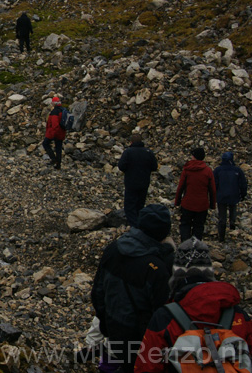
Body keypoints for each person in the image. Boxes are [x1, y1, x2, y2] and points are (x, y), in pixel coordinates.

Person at [135, 237, 252, 373]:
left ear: (176, 275)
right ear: (209, 273)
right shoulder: (238, 315)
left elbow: (147, 367)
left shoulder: (165, 317)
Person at [91, 204, 175, 373]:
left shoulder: (113, 249)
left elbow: (98, 292)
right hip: (141, 339)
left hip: (113, 326)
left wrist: (105, 322)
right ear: (164, 232)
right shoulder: (157, 268)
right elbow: (161, 313)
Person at [118, 133, 159, 227]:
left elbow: (121, 166)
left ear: (131, 142)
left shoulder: (128, 152)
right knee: (140, 204)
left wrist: (129, 169)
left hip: (131, 182)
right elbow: (154, 167)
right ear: (141, 141)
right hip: (144, 182)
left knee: (129, 205)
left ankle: (134, 225)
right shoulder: (148, 152)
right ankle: (140, 223)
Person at [175, 148, 215, 241]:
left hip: (187, 203)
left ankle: (185, 246)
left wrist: (177, 202)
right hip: (202, 205)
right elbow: (212, 189)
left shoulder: (187, 169)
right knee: (199, 226)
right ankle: (196, 247)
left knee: (185, 224)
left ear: (194, 156)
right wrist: (212, 204)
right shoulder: (207, 171)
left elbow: (180, 187)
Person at [213, 151, 248, 242]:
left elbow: (214, 184)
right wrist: (243, 194)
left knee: (222, 217)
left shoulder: (218, 170)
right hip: (234, 195)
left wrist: (214, 194)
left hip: (221, 196)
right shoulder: (237, 170)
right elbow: (243, 184)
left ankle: (221, 237)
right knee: (233, 212)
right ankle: (232, 227)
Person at [42, 96, 66, 169]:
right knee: (58, 148)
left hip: (54, 132)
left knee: (45, 143)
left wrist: (52, 134)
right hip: (62, 132)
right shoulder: (63, 110)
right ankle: (58, 165)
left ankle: (53, 159)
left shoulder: (55, 112)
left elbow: (54, 124)